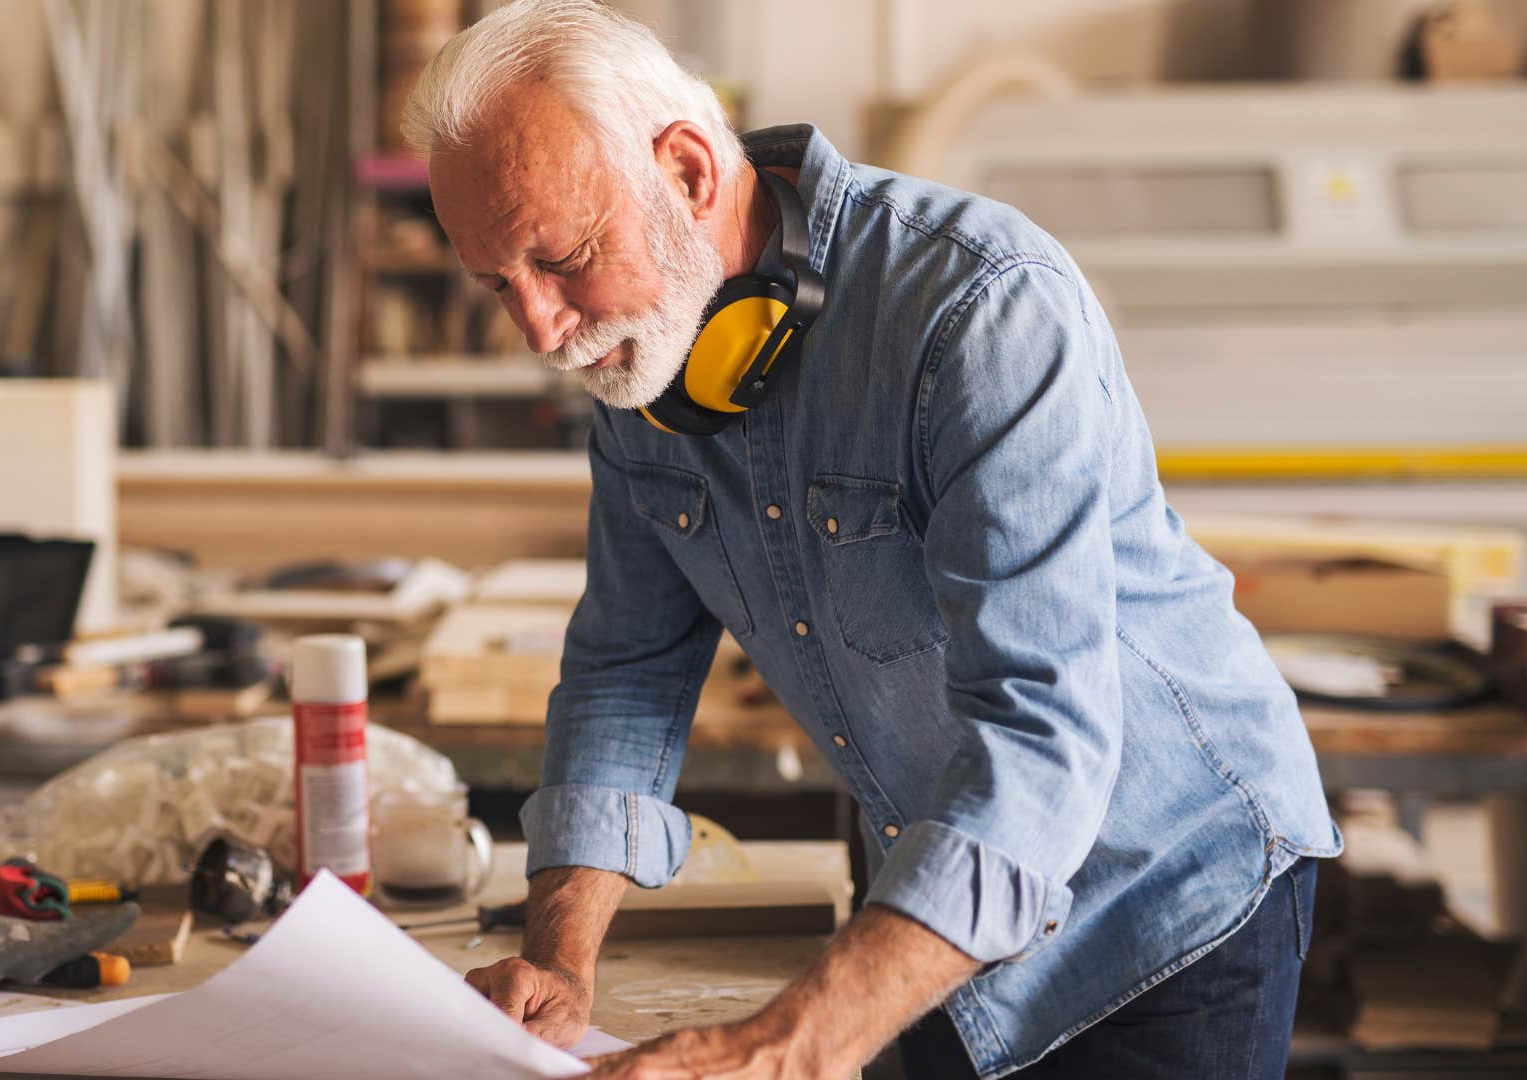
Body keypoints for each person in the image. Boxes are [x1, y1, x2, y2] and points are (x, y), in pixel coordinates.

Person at [402, 2, 1340, 1077]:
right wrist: (562, 959)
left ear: (690, 174)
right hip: (931, 896)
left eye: (563, 258)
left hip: (1159, 900)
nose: (541, 331)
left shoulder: (982, 309)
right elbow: (626, 673)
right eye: (495, 283)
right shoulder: (641, 358)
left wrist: (786, 1044)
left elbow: (1042, 741)